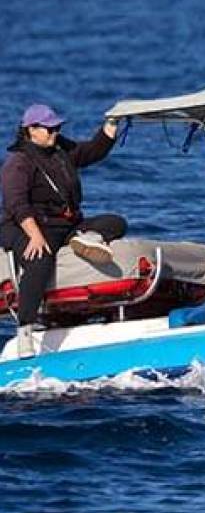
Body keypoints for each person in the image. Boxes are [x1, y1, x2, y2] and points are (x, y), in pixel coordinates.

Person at [1, 104, 126, 357]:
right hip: (22, 224)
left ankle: (85, 237)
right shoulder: (18, 162)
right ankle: (25, 328)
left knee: (116, 223)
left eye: (57, 128)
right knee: (40, 258)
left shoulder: (61, 150)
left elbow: (92, 151)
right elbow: (15, 203)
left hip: (63, 225)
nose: (54, 133)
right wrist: (34, 235)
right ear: (31, 130)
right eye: (49, 129)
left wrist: (111, 125)